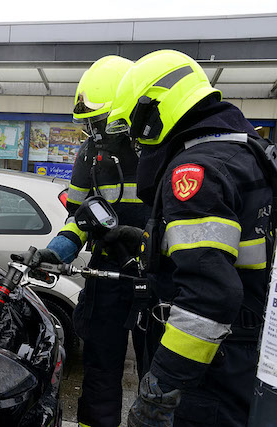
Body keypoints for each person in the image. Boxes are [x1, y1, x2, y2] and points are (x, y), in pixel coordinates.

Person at [104, 49, 270, 426]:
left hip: (210, 370)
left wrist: (161, 389)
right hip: (244, 354)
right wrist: (151, 243)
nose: (136, 143)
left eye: (134, 128)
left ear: (152, 113)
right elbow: (228, 248)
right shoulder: (244, 151)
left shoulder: (196, 173)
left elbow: (209, 297)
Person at [20, 55, 152, 427]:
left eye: (97, 119)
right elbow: (78, 218)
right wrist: (57, 250)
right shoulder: (90, 155)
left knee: (155, 373)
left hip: (154, 277)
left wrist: (141, 239)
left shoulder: (159, 152)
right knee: (99, 372)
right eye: (87, 122)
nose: (91, 130)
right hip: (106, 274)